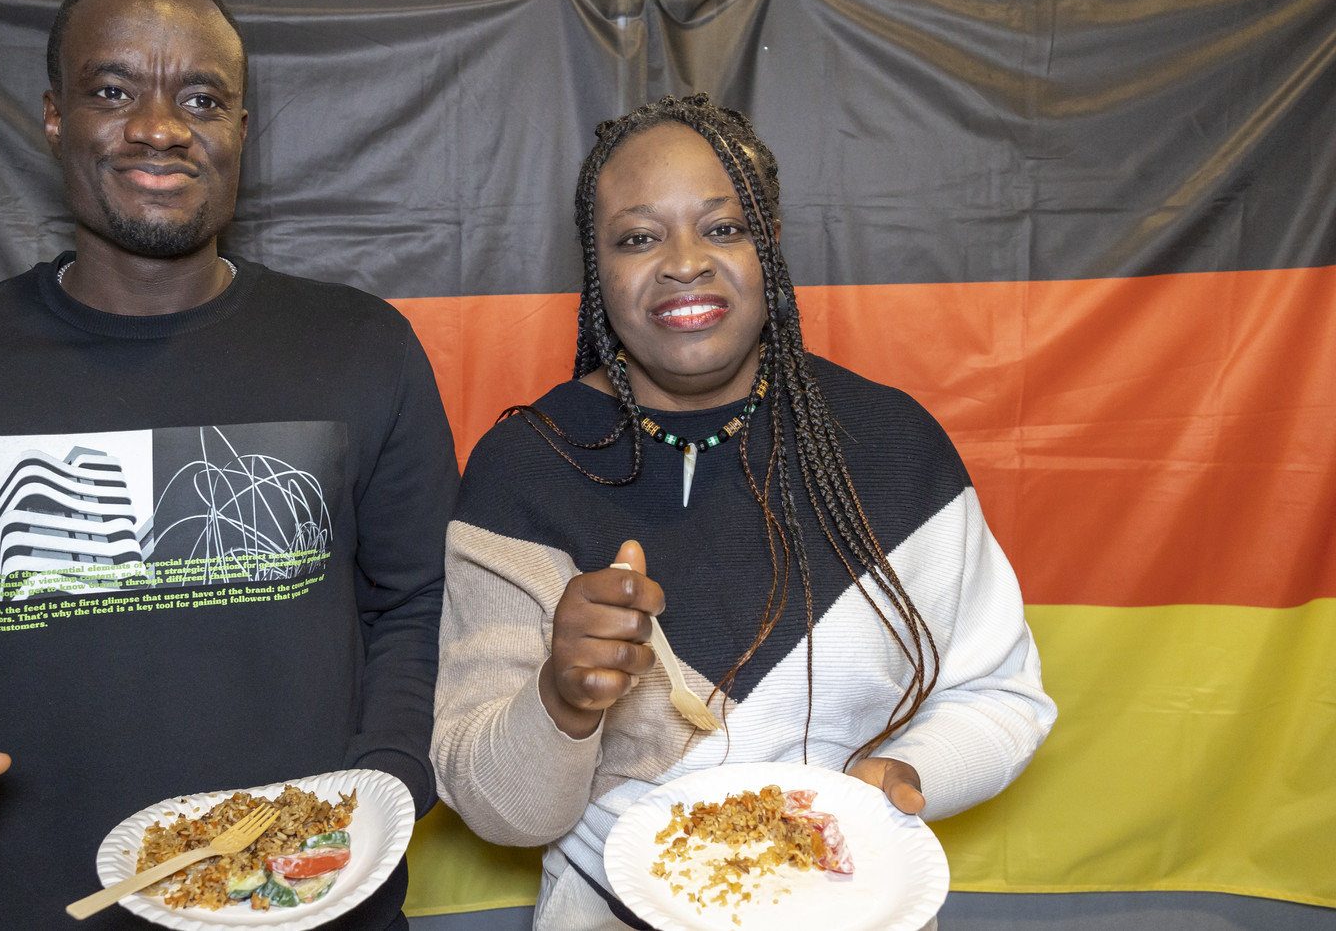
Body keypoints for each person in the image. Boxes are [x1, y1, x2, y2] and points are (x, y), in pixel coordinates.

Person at [0, 0, 458, 930]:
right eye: (113, 90)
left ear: (241, 129)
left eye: (201, 98)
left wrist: (375, 792)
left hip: (315, 900)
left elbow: (425, 603)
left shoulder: (361, 347)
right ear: (56, 116)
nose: (159, 127)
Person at [431, 94, 1056, 930]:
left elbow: (1001, 695)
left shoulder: (893, 444)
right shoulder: (524, 470)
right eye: (638, 238)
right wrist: (562, 700)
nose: (684, 262)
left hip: (852, 909)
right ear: (597, 266)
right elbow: (498, 808)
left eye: (723, 228)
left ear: (771, 244)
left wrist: (906, 774)